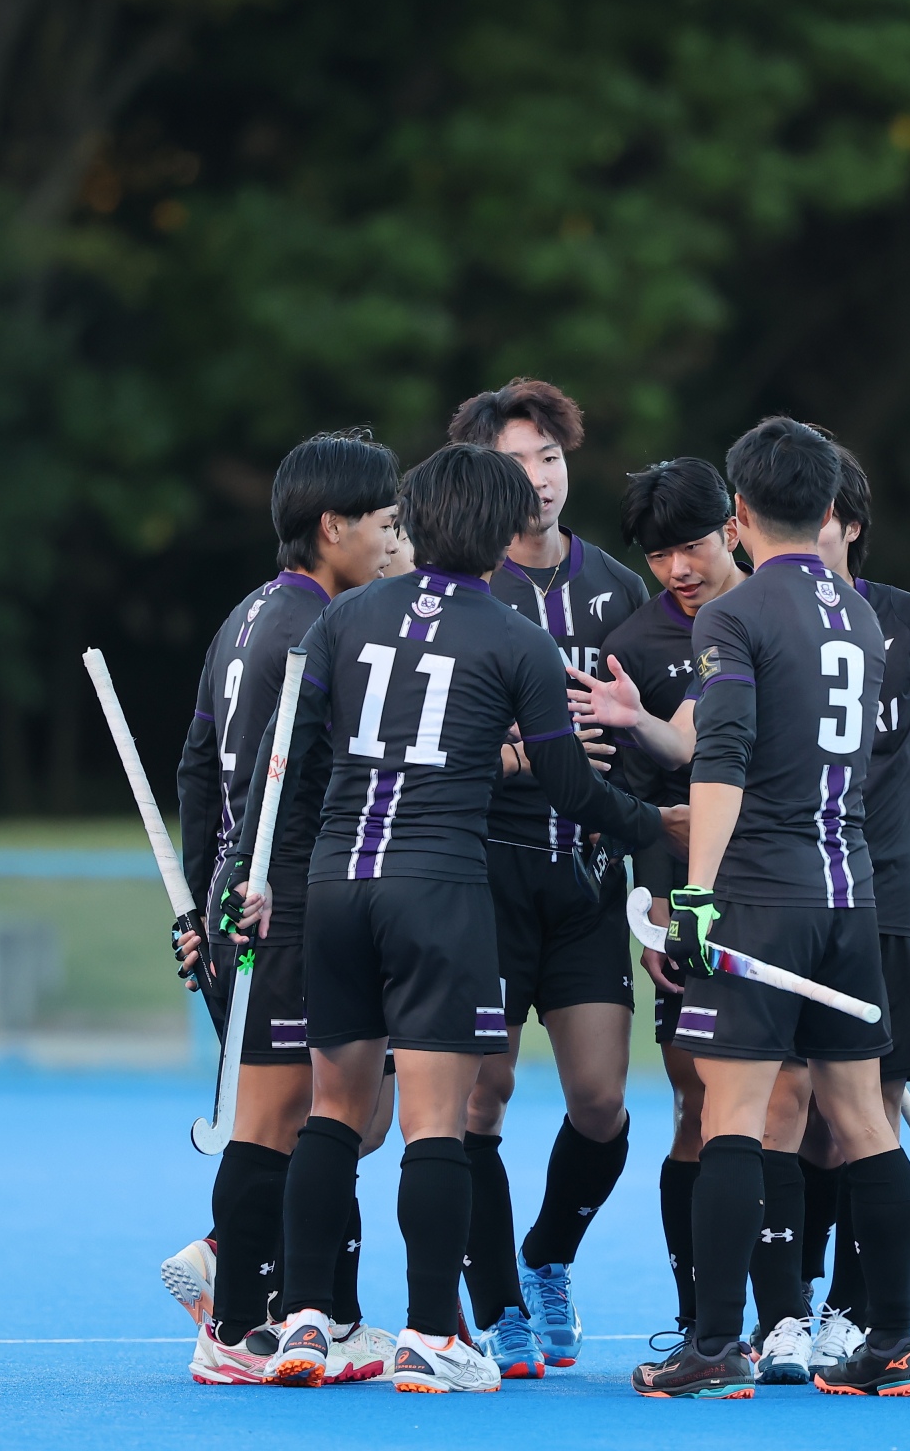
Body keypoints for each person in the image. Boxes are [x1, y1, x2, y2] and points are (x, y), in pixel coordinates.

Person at [266, 442, 685, 1394]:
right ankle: (430, 1335)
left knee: (333, 1112)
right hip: (441, 889)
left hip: (336, 883)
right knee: (435, 1123)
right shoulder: (515, 638)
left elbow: (295, 763)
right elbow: (571, 784)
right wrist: (655, 826)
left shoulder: (342, 618)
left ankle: (304, 1322)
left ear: (416, 521)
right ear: (501, 533)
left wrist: (275, 877)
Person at [627, 416, 910, 1400]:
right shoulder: (863, 617)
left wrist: (695, 898)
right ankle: (892, 1339)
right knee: (863, 1119)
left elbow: (721, 761)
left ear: (740, 511)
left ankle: (717, 1344)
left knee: (734, 1116)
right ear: (829, 506)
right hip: (851, 892)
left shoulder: (737, 614)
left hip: (761, 893)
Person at [166, 429, 403, 1385]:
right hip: (289, 902)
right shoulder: (320, 630)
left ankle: (310, 1315)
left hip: (248, 904)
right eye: (383, 523)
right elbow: (309, 776)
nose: (392, 543)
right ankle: (238, 1324)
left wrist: (201, 903)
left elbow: (196, 769)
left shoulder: (246, 614)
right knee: (291, 1123)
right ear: (333, 526)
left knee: (324, 1121)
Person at [445, 379, 651, 1374]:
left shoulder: (618, 589)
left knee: (602, 1103)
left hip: (588, 882)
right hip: (484, 879)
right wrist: (527, 759)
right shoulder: (461, 590)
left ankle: (546, 1256)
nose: (538, 478)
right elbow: (432, 746)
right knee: (477, 1098)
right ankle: (498, 1307)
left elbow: (649, 740)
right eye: (516, 462)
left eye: (551, 457)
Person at [801, 438, 910, 1378]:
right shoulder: (767, 617)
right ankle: (792, 1303)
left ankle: (853, 1308)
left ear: (852, 526)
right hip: (798, 889)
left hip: (889, 893)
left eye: (823, 520)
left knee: (871, 1108)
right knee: (801, 1109)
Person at [584, 458, 746, 1345]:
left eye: (692, 546)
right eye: (658, 555)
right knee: (699, 1106)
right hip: (692, 905)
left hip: (795, 894)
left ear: (734, 526)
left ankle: (800, 1310)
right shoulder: (636, 647)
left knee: (812, 1114)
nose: (678, 569)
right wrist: (653, 912)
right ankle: (699, 1322)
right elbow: (640, 799)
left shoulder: (786, 615)